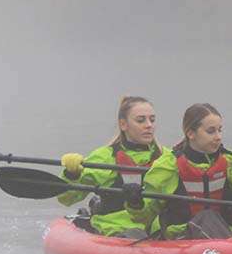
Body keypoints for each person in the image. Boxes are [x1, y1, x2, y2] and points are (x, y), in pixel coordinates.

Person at [125, 103, 232, 240]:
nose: (218, 137)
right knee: (207, 217)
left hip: (225, 233)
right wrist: (135, 203)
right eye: (211, 131)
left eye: (219, 130)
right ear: (191, 134)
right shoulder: (168, 165)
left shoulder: (230, 159)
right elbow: (145, 215)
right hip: (182, 237)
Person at [56, 96, 164, 238]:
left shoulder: (166, 157)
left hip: (157, 228)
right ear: (123, 124)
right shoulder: (105, 157)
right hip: (115, 228)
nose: (149, 125)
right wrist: (72, 174)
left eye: (152, 120)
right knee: (135, 234)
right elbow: (66, 198)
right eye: (141, 120)